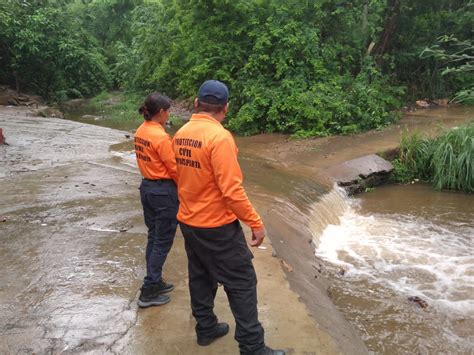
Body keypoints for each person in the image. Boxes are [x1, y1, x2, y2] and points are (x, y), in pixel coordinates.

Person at [172, 80, 285, 355]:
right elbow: (231, 191)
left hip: (189, 221)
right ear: (226, 108)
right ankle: (252, 346)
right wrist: (255, 223)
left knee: (201, 276)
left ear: (197, 104)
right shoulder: (219, 138)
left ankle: (206, 328)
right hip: (216, 227)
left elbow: (180, 176)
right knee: (242, 281)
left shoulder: (181, 133)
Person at [134, 92, 179, 308]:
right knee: (162, 240)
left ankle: (155, 280)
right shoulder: (160, 137)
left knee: (154, 236)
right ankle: (149, 289)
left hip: (147, 189)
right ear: (160, 112)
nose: (169, 114)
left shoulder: (141, 131)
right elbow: (174, 169)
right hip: (163, 192)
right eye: (168, 111)